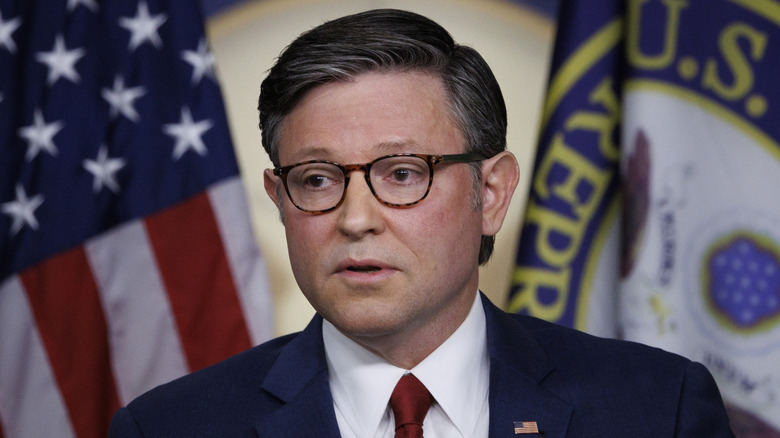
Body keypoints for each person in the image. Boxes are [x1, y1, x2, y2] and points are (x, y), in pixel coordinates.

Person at [108, 8, 735, 437]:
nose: (356, 219)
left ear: (490, 191)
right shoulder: (168, 427)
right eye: (318, 180)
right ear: (279, 198)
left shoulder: (658, 408)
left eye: (402, 173)